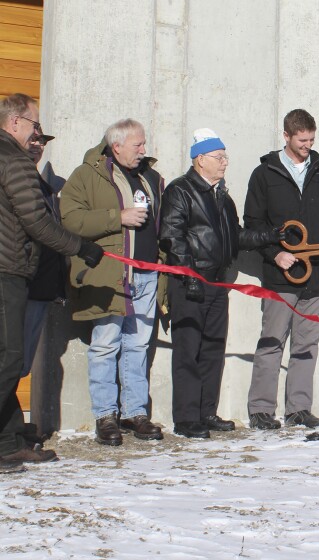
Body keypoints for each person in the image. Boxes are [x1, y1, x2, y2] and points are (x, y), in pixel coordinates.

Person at [0, 93, 103, 470]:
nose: (37, 134)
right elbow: (37, 222)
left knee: (7, 358)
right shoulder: (14, 161)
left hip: (9, 269)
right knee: (9, 358)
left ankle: (9, 442)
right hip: (7, 271)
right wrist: (81, 247)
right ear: (15, 123)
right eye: (34, 125)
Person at [159, 129, 283, 439]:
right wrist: (189, 277)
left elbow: (235, 236)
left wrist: (269, 235)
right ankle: (187, 418)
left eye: (225, 156)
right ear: (200, 159)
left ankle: (206, 412)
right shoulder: (180, 191)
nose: (225, 161)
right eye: (219, 156)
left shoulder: (223, 198)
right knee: (188, 350)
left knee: (213, 348)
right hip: (190, 282)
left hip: (217, 284)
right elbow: (173, 238)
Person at [60, 119, 164, 446]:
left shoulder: (150, 177)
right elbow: (70, 219)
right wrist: (116, 218)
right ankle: (106, 415)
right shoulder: (88, 174)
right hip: (111, 275)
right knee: (106, 343)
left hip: (147, 274)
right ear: (116, 146)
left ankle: (135, 412)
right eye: (138, 145)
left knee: (138, 344)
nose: (144, 150)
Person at [245, 109, 319, 429]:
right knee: (272, 340)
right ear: (287, 136)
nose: (308, 145)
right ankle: (261, 409)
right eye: (302, 140)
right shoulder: (265, 174)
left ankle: (298, 409)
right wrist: (275, 254)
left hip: (317, 274)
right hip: (281, 275)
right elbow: (253, 224)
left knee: (306, 345)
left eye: (312, 139)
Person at [21, 133, 68, 380]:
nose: (38, 146)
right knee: (12, 359)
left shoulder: (44, 186)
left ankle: (10, 417)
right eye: (33, 139)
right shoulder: (15, 181)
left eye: (42, 142)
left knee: (22, 362)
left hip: (41, 285)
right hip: (18, 283)